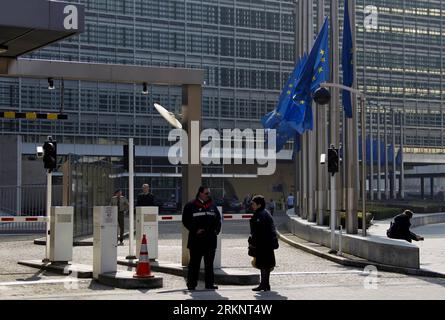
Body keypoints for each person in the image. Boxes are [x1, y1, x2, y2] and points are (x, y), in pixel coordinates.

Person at [182, 186, 222, 290]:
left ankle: (209, 284)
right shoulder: (190, 205)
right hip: (196, 240)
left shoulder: (213, 205)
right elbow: (185, 220)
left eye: (209, 193)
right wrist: (195, 230)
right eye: (206, 193)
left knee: (209, 264)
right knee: (194, 264)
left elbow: (218, 219)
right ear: (200, 193)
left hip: (210, 240)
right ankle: (191, 284)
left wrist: (216, 230)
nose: (209, 195)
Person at [248, 195, 279, 292]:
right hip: (266, 244)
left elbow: (258, 232)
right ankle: (265, 284)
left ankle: (263, 285)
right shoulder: (264, 213)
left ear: (259, 205)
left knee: (263, 265)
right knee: (265, 265)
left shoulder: (261, 215)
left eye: (253, 204)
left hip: (263, 244)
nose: (252, 205)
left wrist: (253, 242)